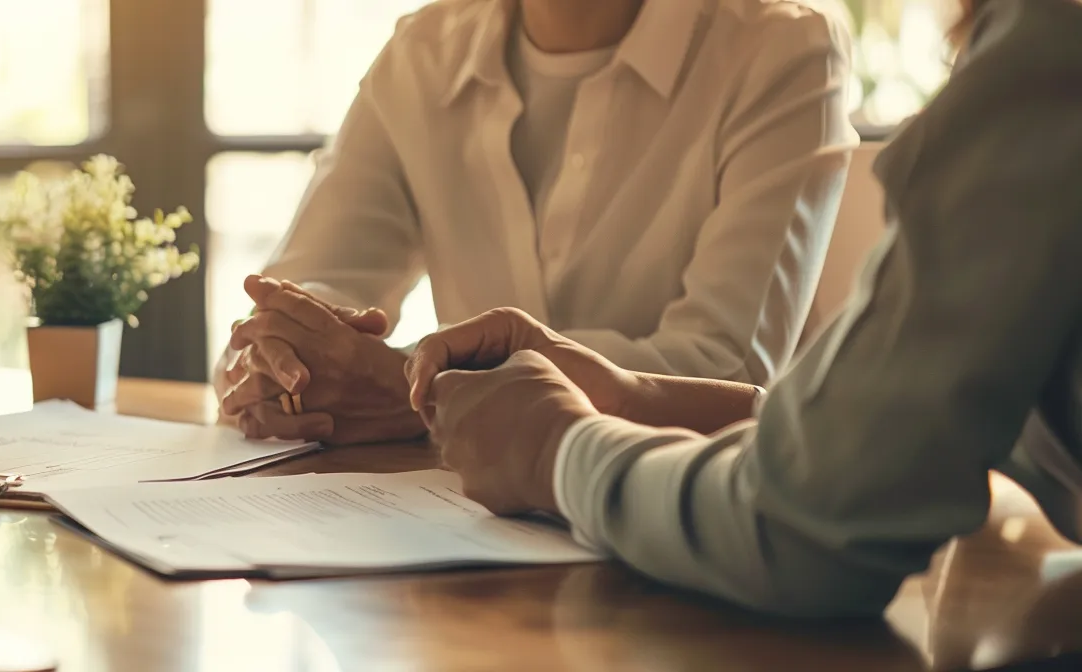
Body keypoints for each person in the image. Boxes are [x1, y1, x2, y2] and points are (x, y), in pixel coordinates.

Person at [402, 0, 1082, 616]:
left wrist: (554, 449)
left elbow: (809, 529)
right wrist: (635, 396)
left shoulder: (1052, 50)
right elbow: (916, 417)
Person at [218, 0, 859, 445]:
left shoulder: (782, 47)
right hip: (453, 528)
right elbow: (305, 287)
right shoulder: (422, 52)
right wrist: (292, 358)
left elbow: (723, 372)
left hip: (674, 543)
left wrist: (408, 387)